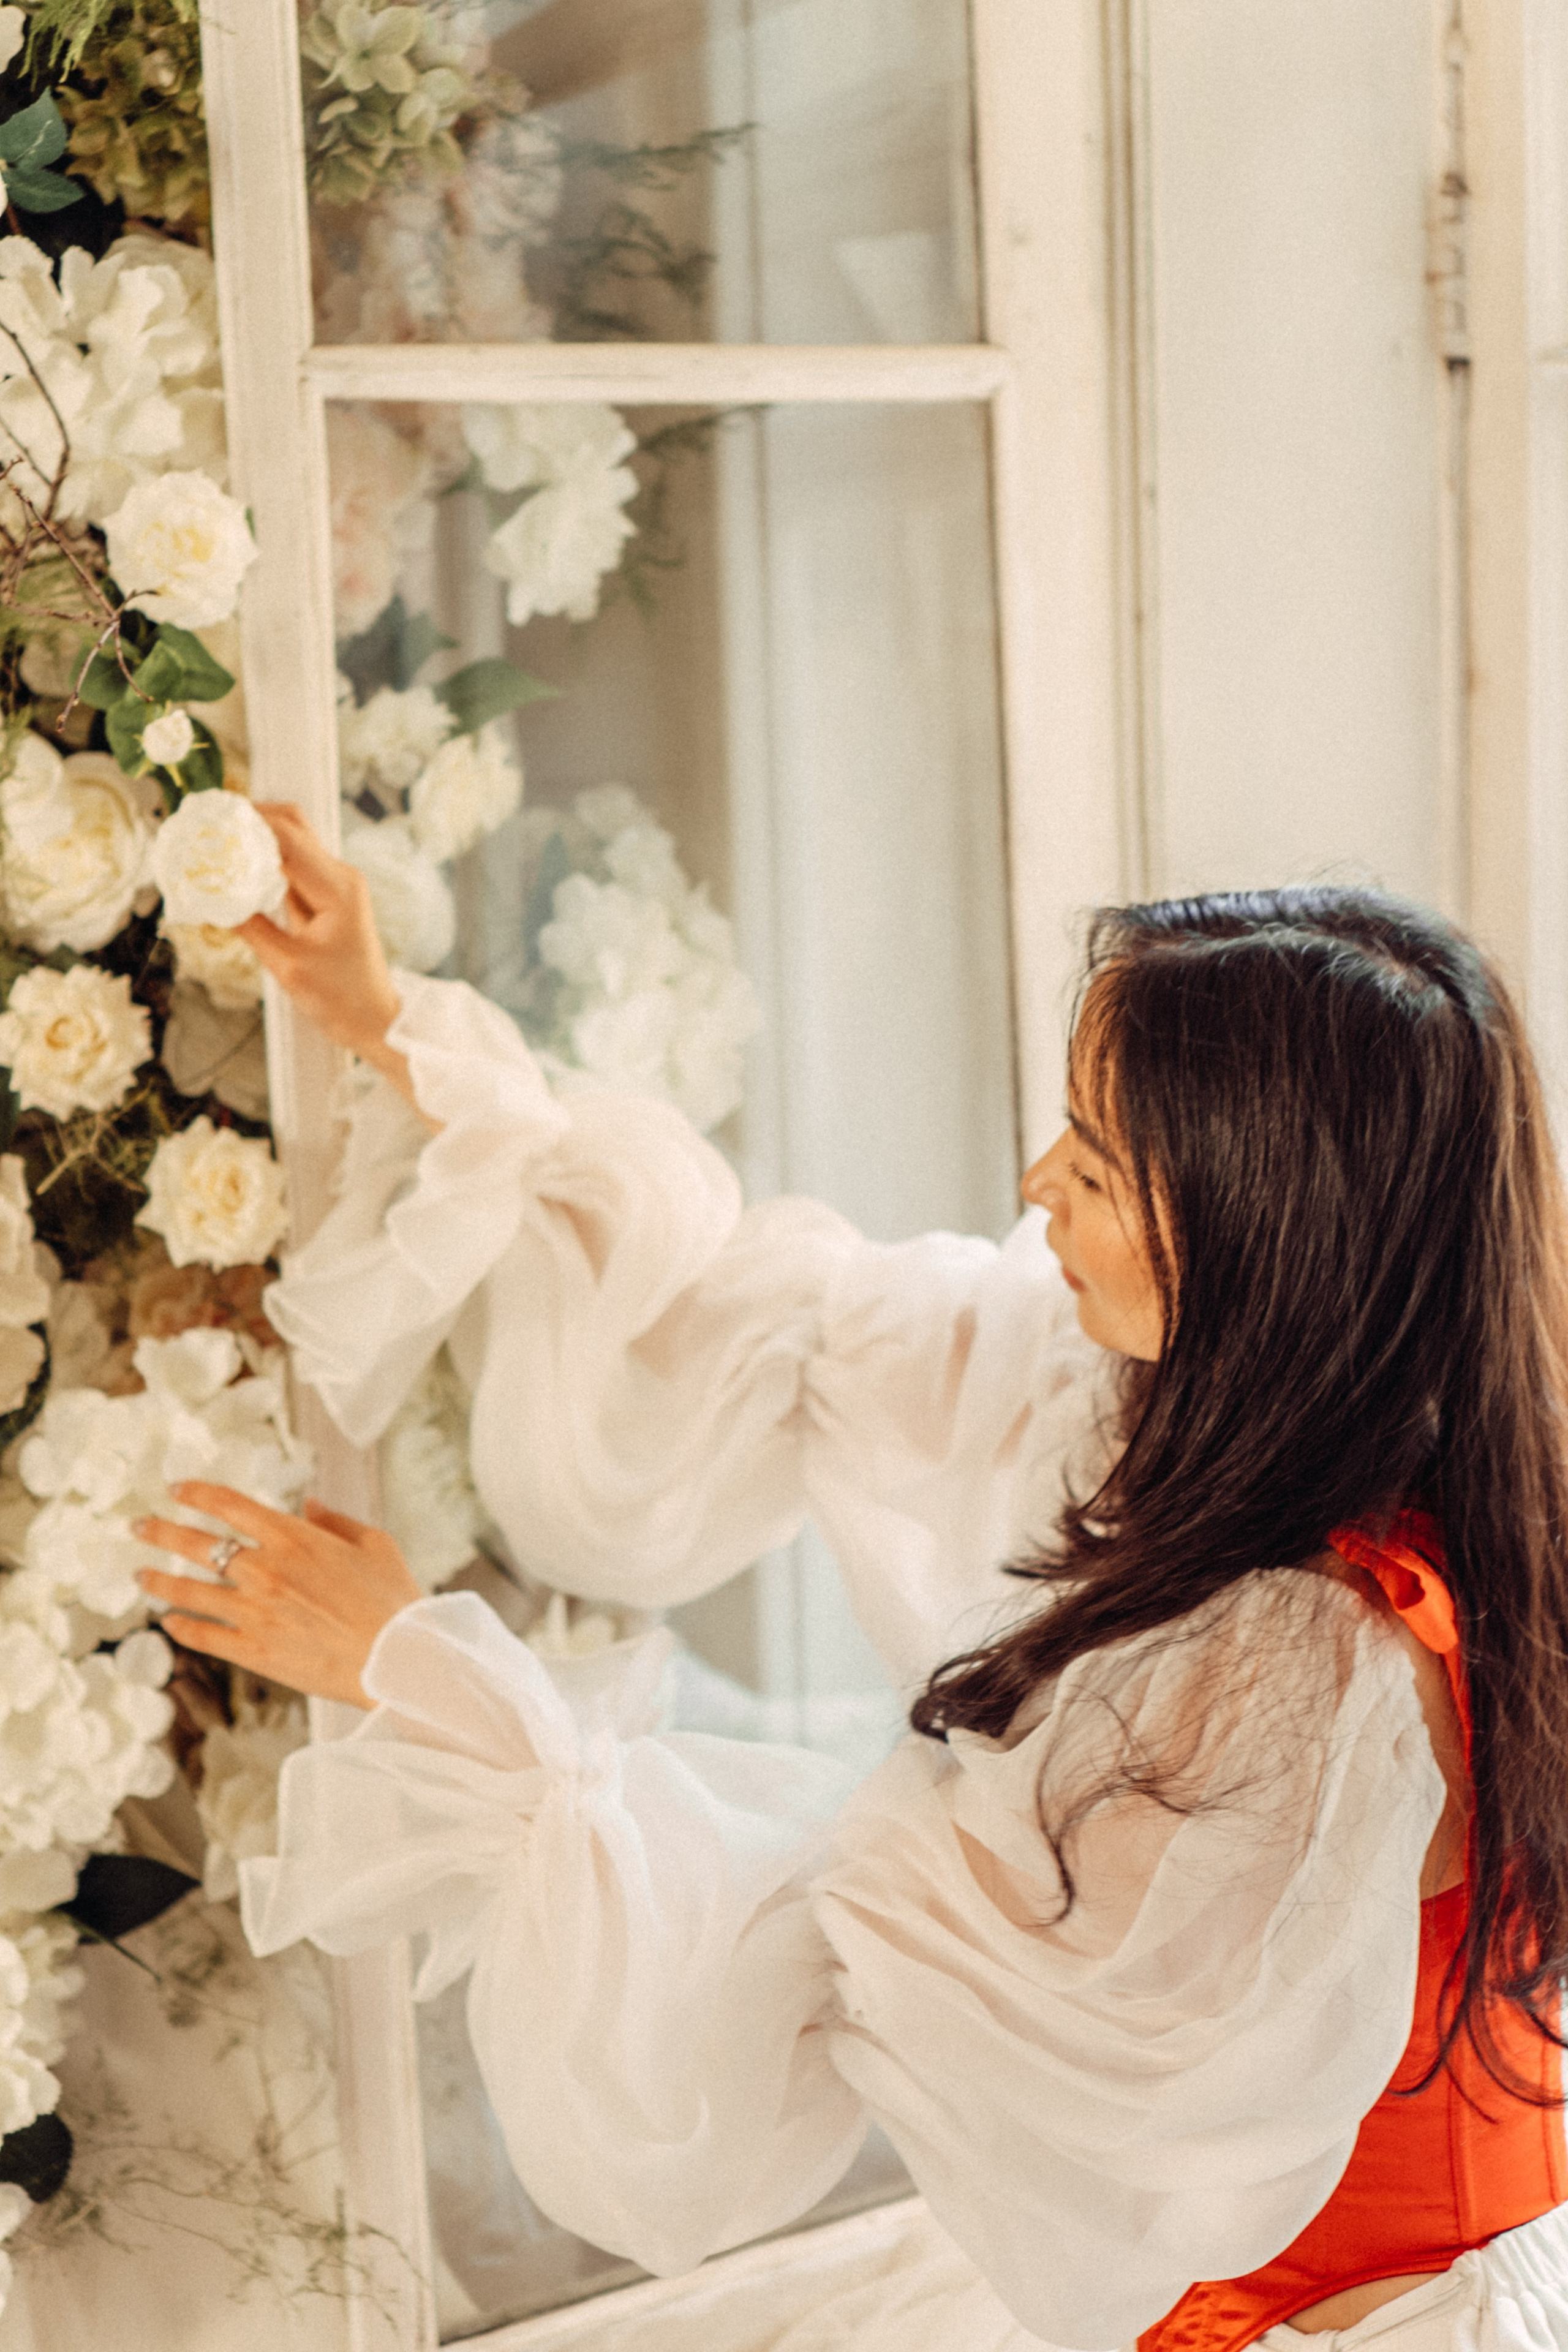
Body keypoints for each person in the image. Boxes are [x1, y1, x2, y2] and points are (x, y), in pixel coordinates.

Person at [135, 806, 1568, 2352]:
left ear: (1249, 1240)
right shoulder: (1347, 1422)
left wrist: (428, 1680)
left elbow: (850, 1976)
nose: (1035, 1183)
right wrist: (399, 1026)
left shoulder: (1300, 1659)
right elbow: (803, 1318)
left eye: (1090, 1160)